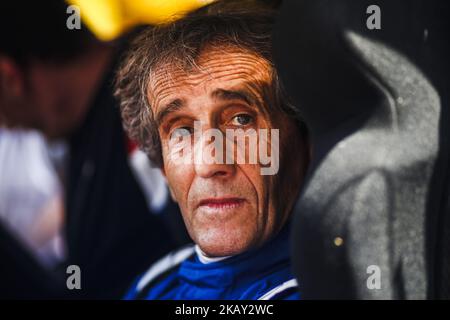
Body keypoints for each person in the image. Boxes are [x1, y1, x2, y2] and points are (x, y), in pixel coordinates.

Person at [114, 0, 310, 300]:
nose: (209, 163)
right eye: (181, 130)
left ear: (304, 140)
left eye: (241, 120)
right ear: (163, 167)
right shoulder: (153, 285)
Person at [0, 0, 188, 298]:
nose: (5, 125)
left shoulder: (150, 89)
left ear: (9, 77)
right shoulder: (79, 130)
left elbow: (217, 262)